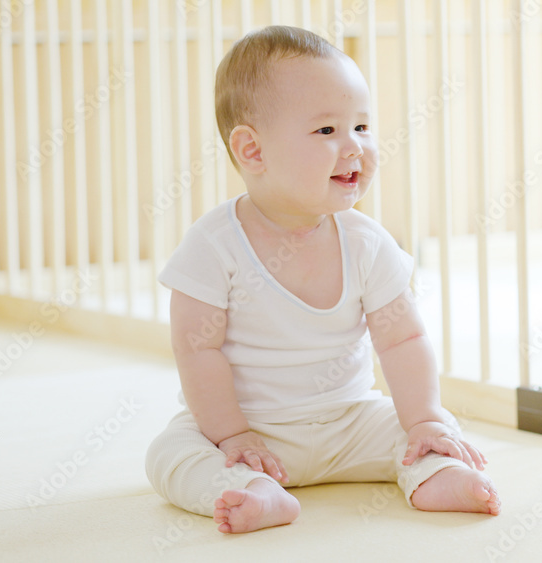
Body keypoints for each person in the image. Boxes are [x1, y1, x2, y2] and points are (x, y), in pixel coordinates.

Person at [145, 25, 500, 534]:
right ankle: (254, 491)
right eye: (327, 131)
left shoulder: (367, 242)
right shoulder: (213, 245)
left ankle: (438, 475)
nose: (354, 146)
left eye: (362, 126)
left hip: (350, 421)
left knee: (423, 427)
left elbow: (403, 339)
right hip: (251, 432)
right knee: (171, 451)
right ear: (252, 150)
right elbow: (196, 349)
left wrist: (424, 420)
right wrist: (232, 435)